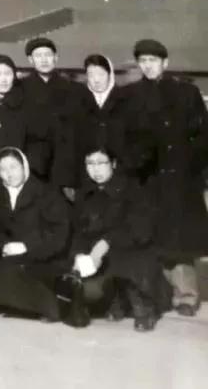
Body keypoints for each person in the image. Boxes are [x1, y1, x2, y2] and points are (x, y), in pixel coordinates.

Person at [122, 38, 208, 316]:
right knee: (151, 236)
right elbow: (125, 136)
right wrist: (136, 162)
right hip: (147, 178)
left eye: (153, 61)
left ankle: (186, 295)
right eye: (143, 61)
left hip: (181, 177)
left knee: (180, 240)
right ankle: (157, 293)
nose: (148, 66)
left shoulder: (186, 92)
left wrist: (195, 168)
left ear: (165, 63)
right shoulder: (130, 95)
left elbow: (202, 136)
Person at [65, 143, 163, 331]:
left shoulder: (133, 189)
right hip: (100, 259)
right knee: (84, 290)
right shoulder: (85, 194)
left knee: (131, 264)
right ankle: (116, 299)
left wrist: (106, 242)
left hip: (132, 253)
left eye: (101, 163)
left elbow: (140, 230)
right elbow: (78, 232)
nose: (95, 169)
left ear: (114, 164)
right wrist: (78, 255)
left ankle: (144, 306)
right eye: (90, 164)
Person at [0, 147, 71, 323]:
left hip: (44, 257)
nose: (9, 174)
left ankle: (53, 307)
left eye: (13, 167)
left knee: (1, 281)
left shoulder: (46, 193)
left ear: (25, 166)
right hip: (11, 258)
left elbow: (59, 233)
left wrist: (26, 246)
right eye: (3, 169)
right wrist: (4, 245)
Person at [21, 38, 93, 197]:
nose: (44, 60)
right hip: (32, 163)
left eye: (48, 55)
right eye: (38, 56)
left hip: (65, 163)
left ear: (56, 57)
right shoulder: (20, 88)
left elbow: (84, 129)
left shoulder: (75, 90)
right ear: (30, 60)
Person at [73, 55, 134, 185]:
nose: (96, 80)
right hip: (87, 175)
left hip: (121, 174)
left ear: (110, 74)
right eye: (91, 75)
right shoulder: (78, 102)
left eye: (101, 74)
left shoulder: (126, 100)